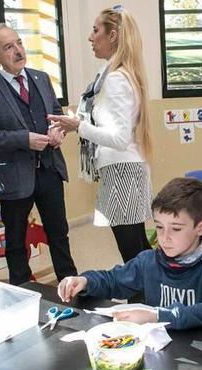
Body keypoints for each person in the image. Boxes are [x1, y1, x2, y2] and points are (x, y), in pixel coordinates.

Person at [0, 23, 77, 286]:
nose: (18, 51)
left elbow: (55, 113)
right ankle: (21, 291)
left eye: (19, 43)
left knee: (59, 234)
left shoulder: (41, 77)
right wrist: (24, 140)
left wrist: (58, 130)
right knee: (16, 243)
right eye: (8, 47)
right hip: (13, 177)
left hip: (49, 169)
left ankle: (72, 286)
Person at [57, 178, 202, 330]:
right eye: (159, 227)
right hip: (161, 352)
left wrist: (157, 315)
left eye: (175, 229)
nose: (164, 237)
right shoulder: (148, 262)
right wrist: (85, 281)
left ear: (201, 228)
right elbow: (113, 280)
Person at [47, 6, 153, 263]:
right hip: (122, 169)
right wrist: (77, 121)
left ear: (113, 35)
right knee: (137, 248)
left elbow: (118, 137)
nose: (90, 37)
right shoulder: (108, 72)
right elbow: (105, 121)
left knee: (133, 253)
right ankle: (148, 296)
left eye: (96, 30)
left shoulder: (116, 78)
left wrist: (78, 127)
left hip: (123, 171)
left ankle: (141, 299)